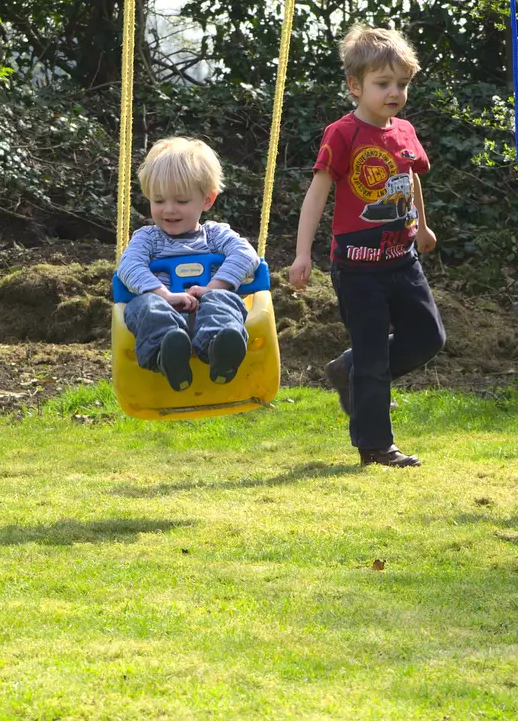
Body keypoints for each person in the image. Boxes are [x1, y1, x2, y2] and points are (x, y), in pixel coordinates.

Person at [289, 25, 446, 467]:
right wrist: (304, 254)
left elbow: (410, 176)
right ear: (355, 86)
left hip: (402, 258)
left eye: (402, 84)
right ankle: (376, 446)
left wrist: (422, 227)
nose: (394, 92)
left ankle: (349, 369)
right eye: (383, 84)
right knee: (375, 352)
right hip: (358, 267)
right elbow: (317, 194)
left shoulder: (405, 132)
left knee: (427, 336)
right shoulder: (342, 134)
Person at [118, 137, 258, 391]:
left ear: (207, 200)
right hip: (164, 310)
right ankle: (167, 355)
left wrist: (214, 288)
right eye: (159, 201)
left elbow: (247, 255)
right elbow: (129, 266)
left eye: (181, 201)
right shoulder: (147, 238)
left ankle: (219, 349)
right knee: (147, 306)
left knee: (224, 300)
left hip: (207, 309)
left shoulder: (215, 235)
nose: (169, 209)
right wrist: (164, 295)